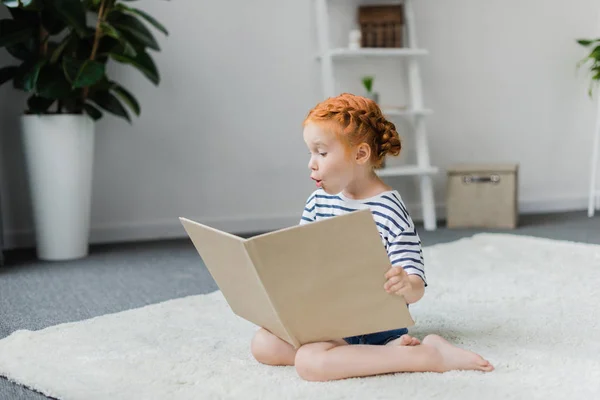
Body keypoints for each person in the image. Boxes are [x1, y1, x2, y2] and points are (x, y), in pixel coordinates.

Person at [250, 93, 494, 381]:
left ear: (361, 154)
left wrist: (405, 283)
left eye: (322, 153)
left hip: (371, 326)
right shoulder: (317, 202)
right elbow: (302, 261)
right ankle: (386, 355)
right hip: (326, 317)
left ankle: (426, 354)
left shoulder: (389, 208)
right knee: (262, 344)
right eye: (310, 153)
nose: (312, 164)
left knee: (309, 363)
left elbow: (416, 287)